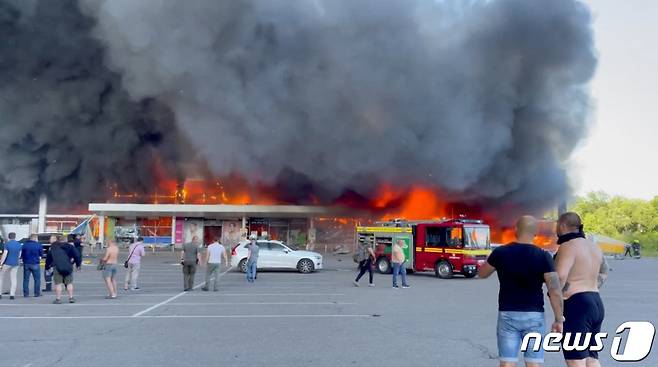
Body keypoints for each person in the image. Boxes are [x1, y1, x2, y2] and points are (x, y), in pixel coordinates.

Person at [479, 216, 564, 367]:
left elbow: (482, 273)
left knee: (507, 362)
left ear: (516, 231)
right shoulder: (543, 256)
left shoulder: (500, 252)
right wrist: (558, 319)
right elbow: (555, 290)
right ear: (535, 233)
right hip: (534, 316)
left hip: (508, 314)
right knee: (533, 363)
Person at [554, 212, 607, 367]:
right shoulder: (594, 247)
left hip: (577, 306)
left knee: (575, 359)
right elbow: (604, 272)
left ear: (562, 225)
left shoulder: (568, 246)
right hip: (596, 302)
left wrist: (560, 295)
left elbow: (560, 277)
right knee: (591, 357)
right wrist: (591, 287)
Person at [45, 234, 82, 304]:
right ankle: (71, 297)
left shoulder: (53, 247)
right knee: (69, 283)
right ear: (66, 240)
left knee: (58, 283)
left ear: (59, 240)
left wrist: (47, 267)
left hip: (57, 266)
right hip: (68, 266)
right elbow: (77, 256)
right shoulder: (70, 247)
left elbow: (49, 257)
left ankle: (58, 299)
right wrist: (78, 265)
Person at [0, 232, 22, 300]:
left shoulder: (7, 244)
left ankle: (0, 293)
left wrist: (1, 263)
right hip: (15, 263)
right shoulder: (19, 244)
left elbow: (5, 254)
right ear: (15, 237)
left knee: (1, 277)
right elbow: (19, 255)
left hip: (7, 263)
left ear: (9, 237)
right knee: (13, 278)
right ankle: (12, 295)